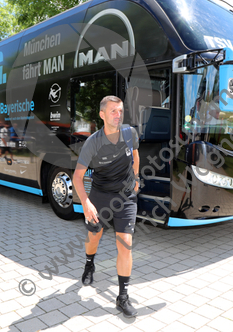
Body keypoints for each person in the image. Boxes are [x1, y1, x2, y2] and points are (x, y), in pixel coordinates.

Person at [72, 95, 140, 318]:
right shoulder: (93, 142)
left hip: (126, 197)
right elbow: (77, 177)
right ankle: (89, 263)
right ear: (102, 115)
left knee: (125, 243)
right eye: (113, 111)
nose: (117, 115)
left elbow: (135, 157)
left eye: (120, 111)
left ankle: (122, 297)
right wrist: (86, 203)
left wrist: (136, 178)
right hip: (99, 196)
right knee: (94, 238)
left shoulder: (130, 134)